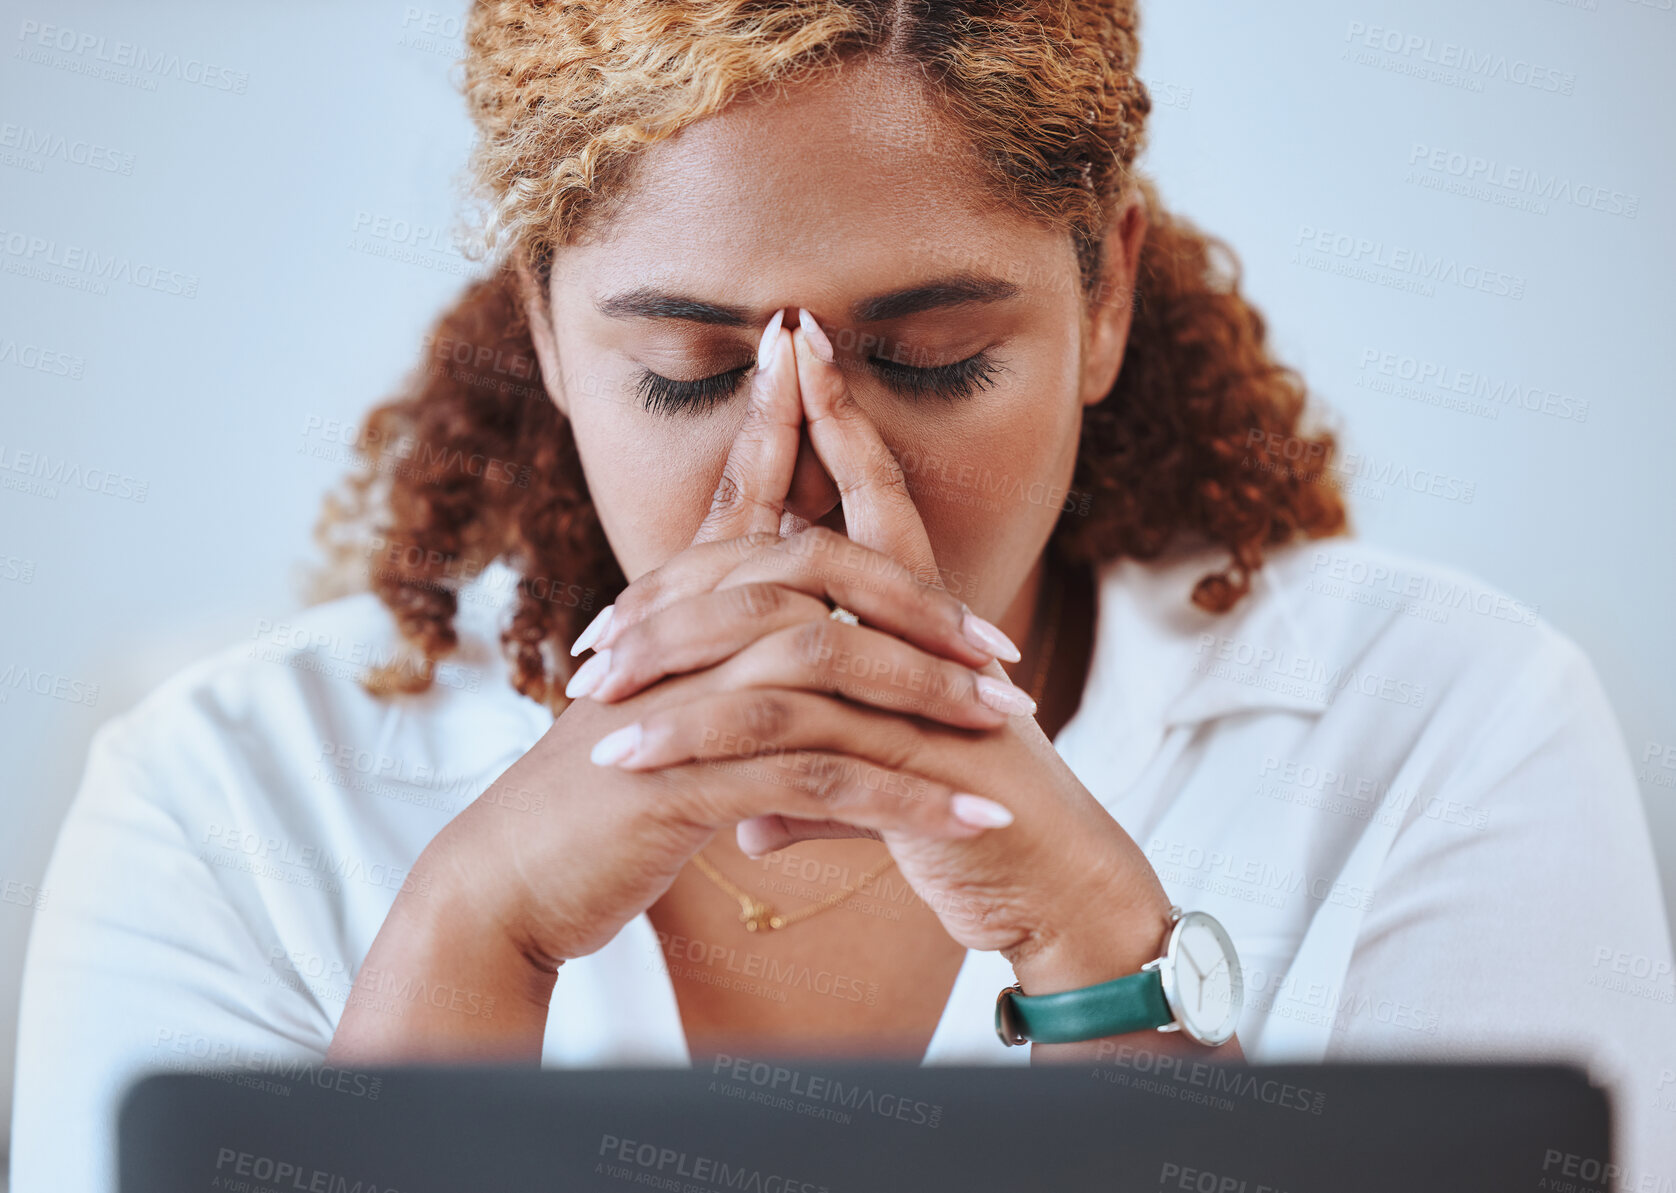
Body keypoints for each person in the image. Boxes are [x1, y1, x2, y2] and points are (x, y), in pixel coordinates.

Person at [13, 0, 1674, 1188]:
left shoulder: (1444, 731)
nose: (807, 472)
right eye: (683, 369)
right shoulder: (223, 794)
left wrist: (1092, 944)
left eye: (933, 360)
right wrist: (478, 926)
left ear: (1103, 300)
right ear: (542, 326)